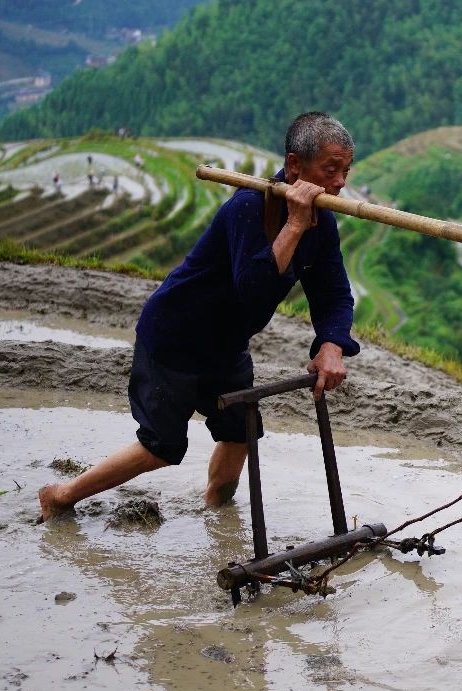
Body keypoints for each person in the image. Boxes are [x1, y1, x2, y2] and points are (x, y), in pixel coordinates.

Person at [38, 111, 359, 521]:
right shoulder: (247, 209)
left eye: (346, 170)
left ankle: (214, 516)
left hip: (226, 343)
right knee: (161, 447)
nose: (340, 183)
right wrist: (294, 224)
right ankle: (61, 495)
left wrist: (331, 345)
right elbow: (252, 290)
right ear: (295, 166)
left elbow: (333, 292)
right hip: (176, 335)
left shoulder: (322, 223)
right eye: (330, 169)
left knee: (240, 431)